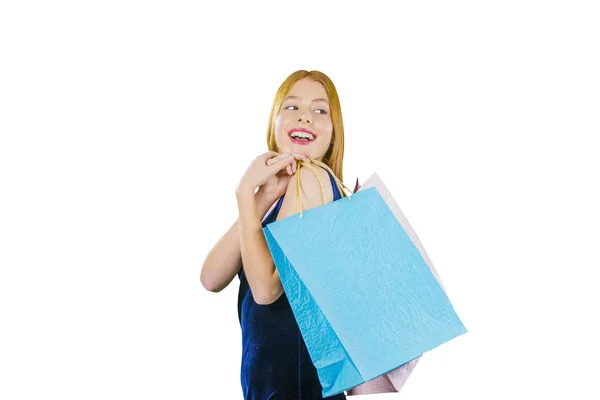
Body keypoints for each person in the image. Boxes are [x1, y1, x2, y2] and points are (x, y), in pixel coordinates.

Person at [201, 70, 349, 399]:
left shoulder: (310, 179)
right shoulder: (279, 193)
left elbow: (266, 290)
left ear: (333, 132)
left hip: (293, 387)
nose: (306, 117)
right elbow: (211, 277)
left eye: (320, 110)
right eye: (292, 107)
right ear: (275, 120)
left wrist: (243, 193)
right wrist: (260, 196)